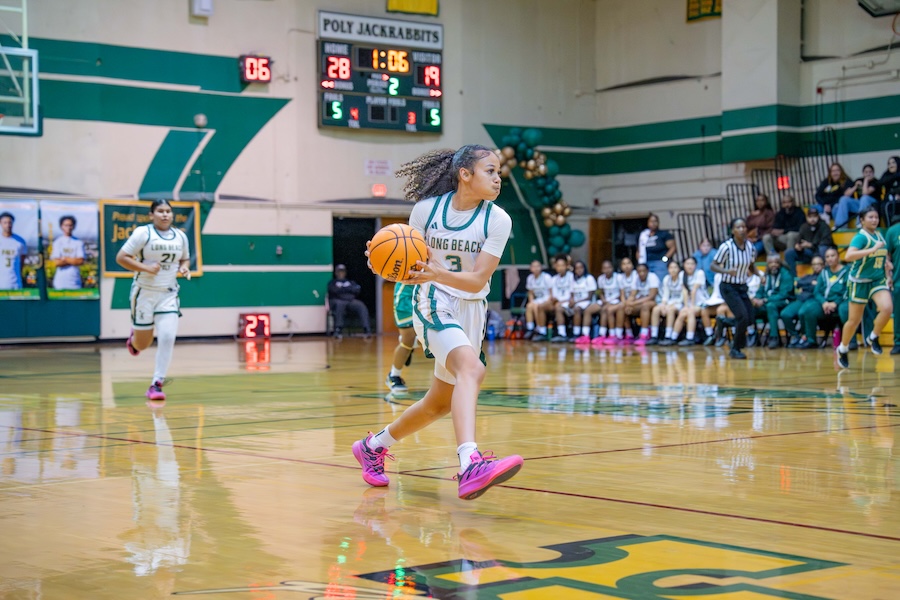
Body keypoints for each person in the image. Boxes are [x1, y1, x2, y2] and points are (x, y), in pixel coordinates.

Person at [352, 145, 523, 501]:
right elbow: (406, 259)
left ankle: (372, 446)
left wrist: (438, 271)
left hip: (472, 309)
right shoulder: (427, 211)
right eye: (490, 171)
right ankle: (470, 463)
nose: (498, 179)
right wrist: (381, 259)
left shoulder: (497, 219)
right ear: (465, 174)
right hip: (434, 301)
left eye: (499, 173)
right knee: (472, 369)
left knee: (439, 403)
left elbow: (477, 281)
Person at [116, 200, 191, 402]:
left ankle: (156, 384)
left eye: (168, 211)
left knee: (167, 337)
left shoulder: (181, 236)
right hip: (144, 293)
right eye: (160, 211)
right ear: (151, 215)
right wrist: (146, 268)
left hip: (168, 294)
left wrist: (184, 267)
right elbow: (121, 257)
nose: (165, 214)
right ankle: (134, 340)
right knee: (142, 344)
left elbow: (185, 258)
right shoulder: (143, 233)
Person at [836, 206, 894, 369]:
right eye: (870, 217)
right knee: (854, 321)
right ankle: (843, 348)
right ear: (862, 220)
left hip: (877, 279)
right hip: (859, 282)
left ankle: (873, 336)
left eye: (876, 217)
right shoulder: (860, 237)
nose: (874, 220)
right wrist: (872, 249)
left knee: (887, 308)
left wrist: (887, 266)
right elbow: (848, 256)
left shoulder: (879, 234)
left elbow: (882, 256)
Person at [711, 218, 757, 359]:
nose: (742, 230)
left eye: (744, 227)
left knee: (750, 318)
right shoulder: (726, 247)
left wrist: (759, 274)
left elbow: (751, 265)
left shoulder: (750, 247)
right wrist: (726, 271)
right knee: (742, 317)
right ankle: (735, 349)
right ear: (733, 231)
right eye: (738, 227)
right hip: (728, 287)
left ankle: (724, 321)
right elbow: (713, 265)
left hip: (742, 287)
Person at [794, 249, 847, 350]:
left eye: (832, 256)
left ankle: (849, 340)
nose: (830, 258)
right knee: (808, 309)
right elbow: (817, 291)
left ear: (838, 257)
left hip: (839, 303)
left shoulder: (846, 271)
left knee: (845, 309)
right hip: (825, 304)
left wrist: (836, 303)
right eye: (827, 257)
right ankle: (811, 340)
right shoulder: (824, 272)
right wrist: (824, 303)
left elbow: (847, 291)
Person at [752, 254, 794, 349]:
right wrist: (756, 298)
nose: (773, 264)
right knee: (750, 307)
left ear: (780, 263)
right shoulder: (767, 275)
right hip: (768, 302)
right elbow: (761, 290)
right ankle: (752, 335)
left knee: (771, 306)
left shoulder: (786, 274)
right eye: (770, 263)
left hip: (785, 302)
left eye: (776, 262)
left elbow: (783, 294)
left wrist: (765, 300)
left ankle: (774, 337)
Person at [781, 255, 824, 347]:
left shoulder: (824, 277)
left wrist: (805, 287)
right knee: (785, 314)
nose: (816, 266)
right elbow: (798, 283)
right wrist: (810, 284)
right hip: (801, 300)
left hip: (812, 300)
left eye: (819, 264)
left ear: (823, 265)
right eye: (814, 264)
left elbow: (818, 289)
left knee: (802, 312)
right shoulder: (808, 276)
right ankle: (796, 336)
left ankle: (805, 337)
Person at [671, 256, 710, 346]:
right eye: (687, 264)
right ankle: (672, 337)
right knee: (682, 313)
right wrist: (686, 306)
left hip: (701, 302)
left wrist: (691, 306)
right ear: (684, 265)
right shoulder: (682, 274)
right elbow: (684, 291)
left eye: (692, 264)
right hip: (689, 303)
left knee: (690, 312)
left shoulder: (699, 273)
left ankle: (690, 338)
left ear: (696, 265)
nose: (690, 266)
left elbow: (694, 290)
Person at [385, 282, 416, 393]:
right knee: (408, 340)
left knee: (438, 334)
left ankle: (414, 342)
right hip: (406, 294)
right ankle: (394, 375)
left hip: (431, 291)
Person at [783, 207, 833, 274]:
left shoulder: (824, 226)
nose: (812, 219)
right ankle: (793, 276)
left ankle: (825, 274)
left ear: (818, 217)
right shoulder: (804, 226)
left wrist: (811, 245)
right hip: (807, 253)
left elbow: (827, 241)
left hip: (818, 251)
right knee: (789, 253)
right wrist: (798, 246)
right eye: (810, 217)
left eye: (814, 216)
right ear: (807, 218)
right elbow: (799, 239)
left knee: (823, 249)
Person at [328, 264, 371, 340]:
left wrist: (343, 290)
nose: (341, 273)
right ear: (336, 273)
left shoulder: (350, 282)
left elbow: (356, 289)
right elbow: (334, 291)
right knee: (340, 305)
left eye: (342, 271)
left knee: (361, 305)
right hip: (338, 301)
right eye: (339, 271)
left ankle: (366, 329)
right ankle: (338, 330)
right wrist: (348, 290)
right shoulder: (333, 282)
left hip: (350, 301)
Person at [649, 260, 684, 346]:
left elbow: (683, 296)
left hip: (681, 302)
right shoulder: (666, 279)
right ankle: (654, 335)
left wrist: (670, 305)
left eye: (675, 267)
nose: (673, 270)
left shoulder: (682, 278)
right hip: (669, 302)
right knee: (656, 309)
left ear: (679, 269)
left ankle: (668, 336)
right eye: (671, 268)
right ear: (668, 269)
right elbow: (665, 295)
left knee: (670, 310)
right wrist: (663, 305)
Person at [814, 162, 856, 229]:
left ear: (841, 171)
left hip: (837, 206)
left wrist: (831, 206)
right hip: (824, 206)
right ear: (830, 173)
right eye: (833, 171)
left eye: (837, 170)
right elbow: (817, 195)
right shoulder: (826, 182)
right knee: (813, 209)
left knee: (837, 207)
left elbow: (844, 198)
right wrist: (824, 205)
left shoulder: (847, 181)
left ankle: (840, 227)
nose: (835, 173)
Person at [50, 215, 86, 290]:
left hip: (75, 281)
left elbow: (80, 261)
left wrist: (64, 259)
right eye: (66, 225)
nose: (68, 228)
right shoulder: (57, 242)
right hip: (60, 281)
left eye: (70, 225)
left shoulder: (78, 242)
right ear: (61, 226)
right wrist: (73, 260)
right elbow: (57, 262)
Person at [626, 263, 659, 344]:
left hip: (656, 302)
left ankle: (644, 334)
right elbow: (632, 295)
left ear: (647, 271)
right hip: (640, 302)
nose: (642, 273)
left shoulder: (653, 277)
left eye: (643, 271)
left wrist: (634, 303)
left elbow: (651, 296)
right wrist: (628, 304)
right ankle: (628, 335)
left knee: (645, 306)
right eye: (639, 271)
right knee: (624, 308)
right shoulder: (636, 278)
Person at [637, 214, 675, 283]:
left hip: (659, 262)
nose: (653, 223)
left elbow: (672, 248)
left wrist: (665, 259)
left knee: (660, 281)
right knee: (648, 283)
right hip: (646, 262)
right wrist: (640, 261)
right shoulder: (643, 235)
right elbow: (639, 249)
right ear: (648, 223)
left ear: (658, 223)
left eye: (655, 221)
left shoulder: (664, 234)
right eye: (651, 221)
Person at [593, 259, 623, 346]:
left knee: (607, 309)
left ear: (612, 268)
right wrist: (603, 299)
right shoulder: (600, 278)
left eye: (609, 267)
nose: (607, 270)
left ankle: (613, 334)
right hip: (606, 301)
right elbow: (600, 291)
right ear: (602, 270)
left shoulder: (618, 277)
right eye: (605, 268)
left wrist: (610, 301)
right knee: (591, 309)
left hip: (617, 300)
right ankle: (600, 335)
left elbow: (621, 293)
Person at [523, 259, 553, 340]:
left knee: (537, 307)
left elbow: (551, 292)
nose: (536, 268)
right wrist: (531, 301)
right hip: (537, 300)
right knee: (529, 306)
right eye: (534, 266)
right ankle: (530, 328)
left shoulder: (546, 277)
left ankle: (539, 328)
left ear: (541, 267)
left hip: (546, 299)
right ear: (530, 268)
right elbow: (530, 293)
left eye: (538, 266)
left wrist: (548, 302)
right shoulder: (530, 278)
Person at [569, 260, 598, 344]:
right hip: (577, 302)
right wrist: (571, 300)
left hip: (588, 302)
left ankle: (581, 334)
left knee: (579, 309)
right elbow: (572, 294)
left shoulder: (589, 278)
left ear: (584, 268)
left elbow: (589, 297)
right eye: (577, 268)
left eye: (581, 267)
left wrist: (576, 301)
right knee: (573, 308)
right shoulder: (573, 280)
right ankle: (575, 333)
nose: (579, 270)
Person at [549, 255, 575, 342]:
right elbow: (553, 295)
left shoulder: (571, 276)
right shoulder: (553, 279)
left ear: (566, 266)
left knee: (558, 307)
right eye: (558, 266)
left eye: (562, 265)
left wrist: (562, 301)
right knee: (542, 306)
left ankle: (562, 333)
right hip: (558, 302)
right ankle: (540, 331)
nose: (560, 268)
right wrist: (554, 300)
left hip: (569, 303)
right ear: (555, 266)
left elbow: (573, 294)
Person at [0, 211, 27, 290]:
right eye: (5, 223)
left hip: (15, 283)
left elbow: (22, 261)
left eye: (10, 223)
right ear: (1, 223)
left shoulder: (20, 241)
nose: (8, 225)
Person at [885, 217, 900, 354]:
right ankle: (898, 342)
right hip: (898, 280)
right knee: (899, 314)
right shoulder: (893, 231)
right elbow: (887, 256)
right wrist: (888, 275)